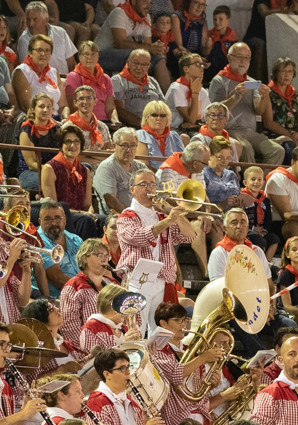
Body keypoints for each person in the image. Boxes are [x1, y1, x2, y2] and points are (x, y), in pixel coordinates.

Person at [117, 168, 197, 326]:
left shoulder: (161, 216)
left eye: (152, 184)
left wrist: (173, 211)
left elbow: (189, 236)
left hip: (162, 278)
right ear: (132, 189)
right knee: (136, 327)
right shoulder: (126, 216)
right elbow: (140, 238)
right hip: (138, 278)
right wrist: (168, 220)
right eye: (144, 184)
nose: (149, 188)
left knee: (161, 329)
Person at [208, 43, 283, 167]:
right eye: (239, 57)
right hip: (229, 130)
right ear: (229, 58)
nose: (243, 61)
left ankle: (261, 182)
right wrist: (235, 97)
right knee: (247, 148)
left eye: (246, 58)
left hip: (250, 131)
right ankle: (249, 182)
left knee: (277, 150)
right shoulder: (219, 80)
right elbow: (215, 112)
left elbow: (258, 111)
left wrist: (265, 97)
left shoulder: (251, 82)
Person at [113, 48, 166, 129]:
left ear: (149, 66)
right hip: (132, 127)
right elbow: (119, 110)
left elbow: (163, 106)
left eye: (144, 64)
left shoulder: (152, 81)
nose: (139, 67)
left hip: (156, 126)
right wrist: (144, 124)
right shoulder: (118, 80)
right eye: (135, 63)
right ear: (128, 63)